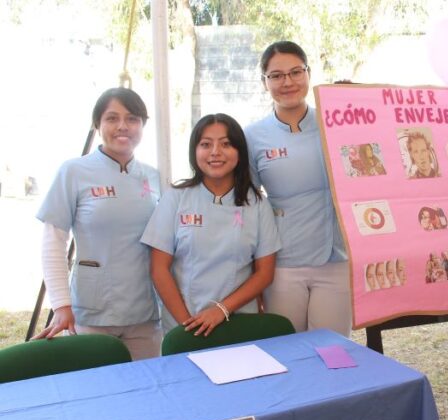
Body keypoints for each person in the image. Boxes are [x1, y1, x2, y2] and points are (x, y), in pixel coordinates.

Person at [34, 88, 161, 360]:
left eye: (133, 118)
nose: (123, 126)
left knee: (146, 389)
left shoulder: (154, 177)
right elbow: (53, 243)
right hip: (91, 311)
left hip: (145, 311)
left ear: (143, 125)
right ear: (97, 124)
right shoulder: (74, 172)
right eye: (112, 118)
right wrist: (61, 305)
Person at [245, 41, 351, 336]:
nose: (287, 82)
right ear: (264, 82)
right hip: (281, 262)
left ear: (308, 73)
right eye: (276, 75)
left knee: (334, 352)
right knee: (286, 351)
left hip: (336, 258)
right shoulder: (252, 136)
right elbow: (248, 204)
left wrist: (351, 102)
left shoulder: (336, 120)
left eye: (295, 72)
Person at [141, 114, 281, 336]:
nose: (215, 152)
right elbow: (159, 269)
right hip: (184, 322)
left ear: (239, 152)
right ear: (194, 151)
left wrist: (221, 310)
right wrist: (187, 326)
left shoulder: (257, 204)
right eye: (206, 144)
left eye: (226, 144)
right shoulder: (176, 198)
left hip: (239, 321)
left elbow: (264, 273)